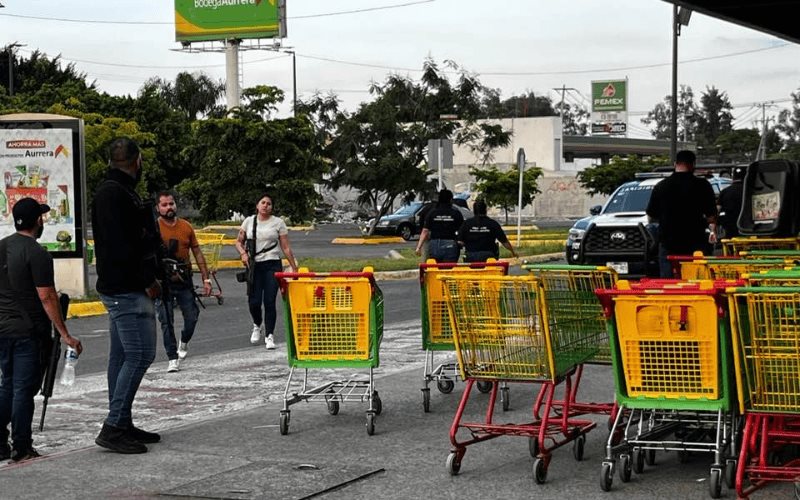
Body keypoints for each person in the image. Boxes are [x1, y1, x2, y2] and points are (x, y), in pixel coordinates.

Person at [92, 137, 162, 454]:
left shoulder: (113, 191)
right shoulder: (115, 194)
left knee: (121, 357)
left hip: (119, 286)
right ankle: (114, 426)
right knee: (140, 355)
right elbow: (126, 247)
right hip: (127, 290)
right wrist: (148, 280)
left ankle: (121, 419)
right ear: (137, 160)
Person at [0, 198, 82, 462]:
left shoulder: (1, 247)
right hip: (28, 331)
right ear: (38, 221)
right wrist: (65, 333)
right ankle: (22, 446)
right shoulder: (37, 253)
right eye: (42, 218)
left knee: (8, 385)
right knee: (24, 389)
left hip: (3, 329)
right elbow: (47, 297)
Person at [154, 191, 212, 373]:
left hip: (184, 279)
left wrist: (206, 278)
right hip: (163, 281)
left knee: (192, 316)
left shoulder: (186, 227)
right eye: (164, 205)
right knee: (166, 320)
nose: (169, 207)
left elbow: (197, 253)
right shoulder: (154, 228)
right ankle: (172, 357)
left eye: (171, 203)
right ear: (158, 208)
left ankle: (184, 342)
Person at [235, 193, 298, 350]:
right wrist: (243, 253)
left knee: (269, 301)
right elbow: (238, 241)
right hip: (254, 265)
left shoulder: (278, 223)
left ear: (272, 207)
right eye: (262, 202)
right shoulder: (249, 222)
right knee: (254, 301)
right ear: (257, 205)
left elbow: (285, 247)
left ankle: (270, 335)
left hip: (272, 264)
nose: (265, 205)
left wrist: (294, 268)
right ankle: (257, 324)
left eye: (269, 203)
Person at [646, 150, 718, 278]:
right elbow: (711, 216)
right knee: (694, 279)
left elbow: (652, 215)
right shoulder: (702, 185)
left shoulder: (661, 186)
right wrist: (713, 231)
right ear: (693, 164)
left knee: (669, 282)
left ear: (675, 164)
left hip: (668, 242)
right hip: (695, 241)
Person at [414, 189, 464, 263]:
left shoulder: (432, 212)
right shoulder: (456, 213)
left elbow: (425, 231)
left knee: (436, 269)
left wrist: (419, 247)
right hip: (450, 243)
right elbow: (462, 229)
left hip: (434, 244)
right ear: (450, 200)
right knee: (449, 270)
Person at [718, 166, 746, 239]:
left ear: (733, 177)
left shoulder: (725, 191)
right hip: (746, 226)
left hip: (730, 226)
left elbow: (718, 209)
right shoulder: (750, 191)